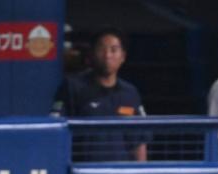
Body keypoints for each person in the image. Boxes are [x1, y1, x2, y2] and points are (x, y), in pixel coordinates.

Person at [52, 28, 147, 161]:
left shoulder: (130, 93)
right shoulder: (72, 86)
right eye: (101, 49)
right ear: (91, 55)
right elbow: (56, 131)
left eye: (114, 50)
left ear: (123, 57)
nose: (107, 55)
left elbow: (139, 142)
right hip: (83, 173)